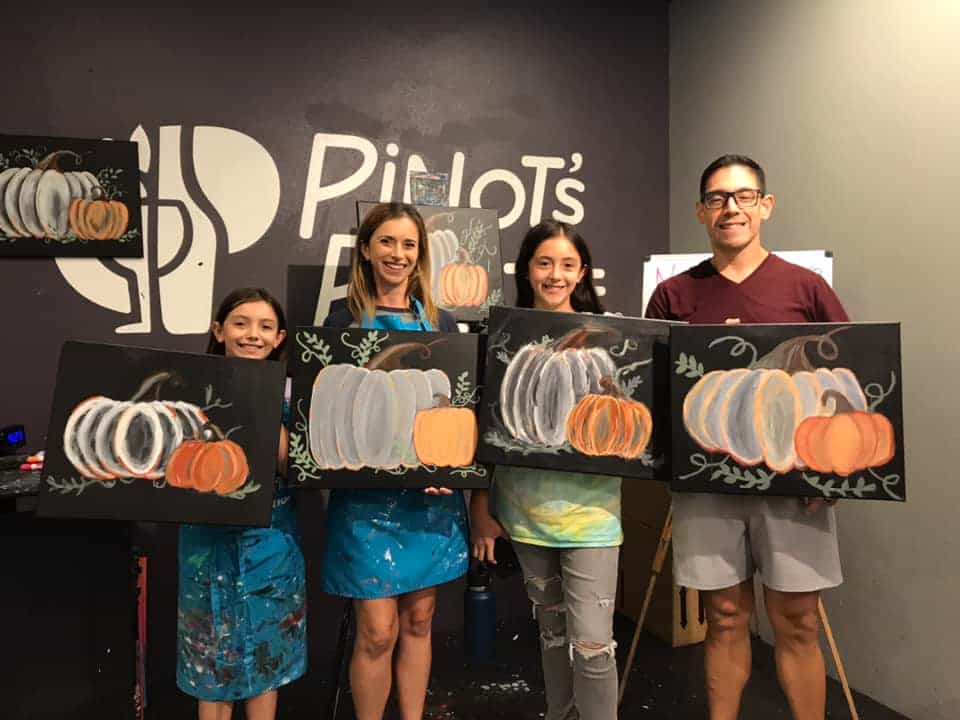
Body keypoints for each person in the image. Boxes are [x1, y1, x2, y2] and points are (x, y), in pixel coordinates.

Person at [645, 154, 848, 720]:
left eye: (743, 196)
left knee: (798, 622)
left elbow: (847, 378)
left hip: (794, 485)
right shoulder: (674, 296)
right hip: (707, 485)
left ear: (765, 206)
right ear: (700, 211)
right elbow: (656, 389)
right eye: (717, 198)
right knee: (725, 618)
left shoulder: (806, 288)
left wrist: (833, 472)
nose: (730, 208)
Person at [321, 202, 467, 720]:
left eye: (409, 244)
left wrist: (446, 469)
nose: (398, 254)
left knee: (420, 621)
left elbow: (456, 411)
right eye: (387, 241)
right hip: (365, 505)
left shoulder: (443, 323)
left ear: (420, 254)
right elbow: (329, 416)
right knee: (377, 632)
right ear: (365, 249)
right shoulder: (339, 323)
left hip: (428, 503)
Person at [470, 220, 621, 720]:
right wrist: (481, 507)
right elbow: (483, 432)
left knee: (594, 645)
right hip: (525, 513)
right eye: (544, 263)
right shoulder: (502, 338)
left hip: (593, 516)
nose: (555, 275)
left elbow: (623, 425)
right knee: (552, 634)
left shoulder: (611, 340)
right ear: (527, 269)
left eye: (567, 265)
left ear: (582, 273)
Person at [177, 287, 307, 720]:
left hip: (272, 544)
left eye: (265, 327)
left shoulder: (290, 396)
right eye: (241, 323)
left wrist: (263, 401)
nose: (253, 334)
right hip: (206, 545)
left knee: (267, 654)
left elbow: (294, 468)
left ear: (279, 338)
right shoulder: (191, 390)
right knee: (211, 657)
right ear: (219, 330)